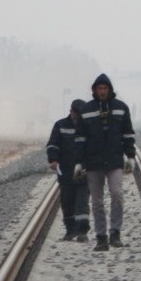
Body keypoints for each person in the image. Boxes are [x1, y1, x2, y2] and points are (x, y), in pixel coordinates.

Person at [75, 73, 136, 251]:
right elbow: (80, 139)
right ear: (95, 90)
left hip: (115, 160)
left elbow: (128, 134)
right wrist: (79, 162)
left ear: (110, 89)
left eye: (105, 88)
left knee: (117, 194)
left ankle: (115, 233)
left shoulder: (121, 108)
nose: (102, 91)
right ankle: (101, 237)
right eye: (99, 88)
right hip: (93, 162)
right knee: (97, 201)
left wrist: (130, 156)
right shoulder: (86, 110)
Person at [46, 100, 91, 241]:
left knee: (82, 201)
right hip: (65, 171)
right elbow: (53, 144)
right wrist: (53, 159)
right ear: (71, 111)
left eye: (79, 113)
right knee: (67, 201)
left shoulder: (89, 127)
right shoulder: (60, 125)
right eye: (75, 112)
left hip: (83, 171)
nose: (76, 116)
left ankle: (82, 231)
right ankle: (70, 230)